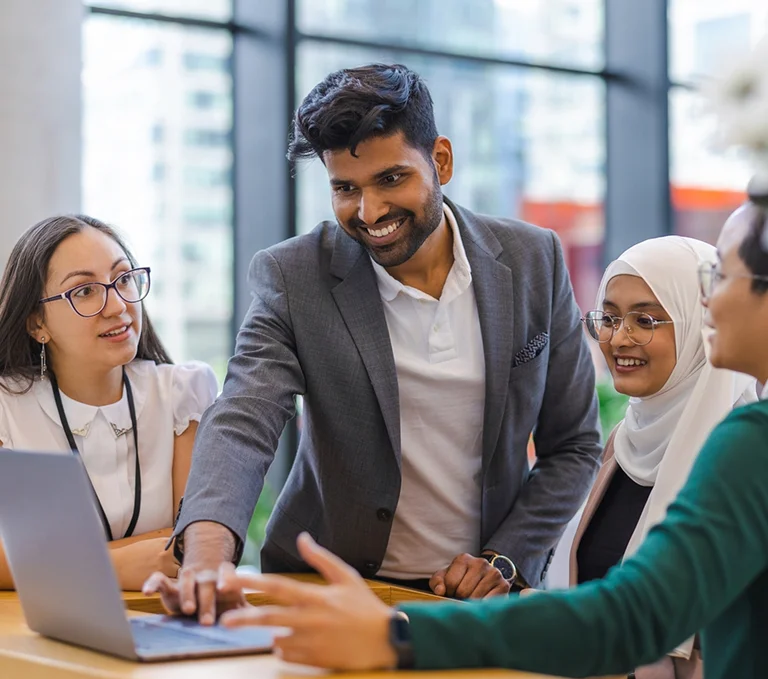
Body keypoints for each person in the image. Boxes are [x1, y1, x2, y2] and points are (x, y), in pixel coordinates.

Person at [217, 194, 768, 679]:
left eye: (720, 276)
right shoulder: (629, 445)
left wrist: (400, 634)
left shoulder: (748, 444)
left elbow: (633, 618)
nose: (706, 297)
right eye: (610, 316)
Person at [148, 63, 601, 623]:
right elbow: (244, 418)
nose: (369, 213)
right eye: (345, 189)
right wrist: (208, 556)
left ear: (441, 161)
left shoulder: (534, 260)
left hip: (475, 602)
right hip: (331, 588)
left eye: (390, 179)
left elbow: (574, 446)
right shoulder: (294, 277)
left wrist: (504, 560)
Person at [570, 236, 755, 679]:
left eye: (645, 319)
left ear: (698, 322)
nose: (618, 337)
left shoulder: (743, 455)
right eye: (609, 318)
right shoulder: (625, 443)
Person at [0, 215, 217, 590]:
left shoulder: (183, 394)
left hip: (162, 619)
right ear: (38, 324)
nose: (117, 305)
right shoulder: (7, 407)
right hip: (35, 631)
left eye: (123, 279)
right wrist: (114, 565)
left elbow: (194, 540)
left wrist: (48, 559)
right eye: (84, 291)